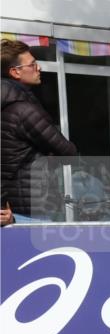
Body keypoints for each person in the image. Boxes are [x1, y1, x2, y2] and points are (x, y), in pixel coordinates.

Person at [2, 39, 78, 222]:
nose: (39, 68)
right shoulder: (24, 111)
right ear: (15, 72)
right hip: (31, 209)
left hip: (10, 210)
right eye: (33, 65)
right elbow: (69, 153)